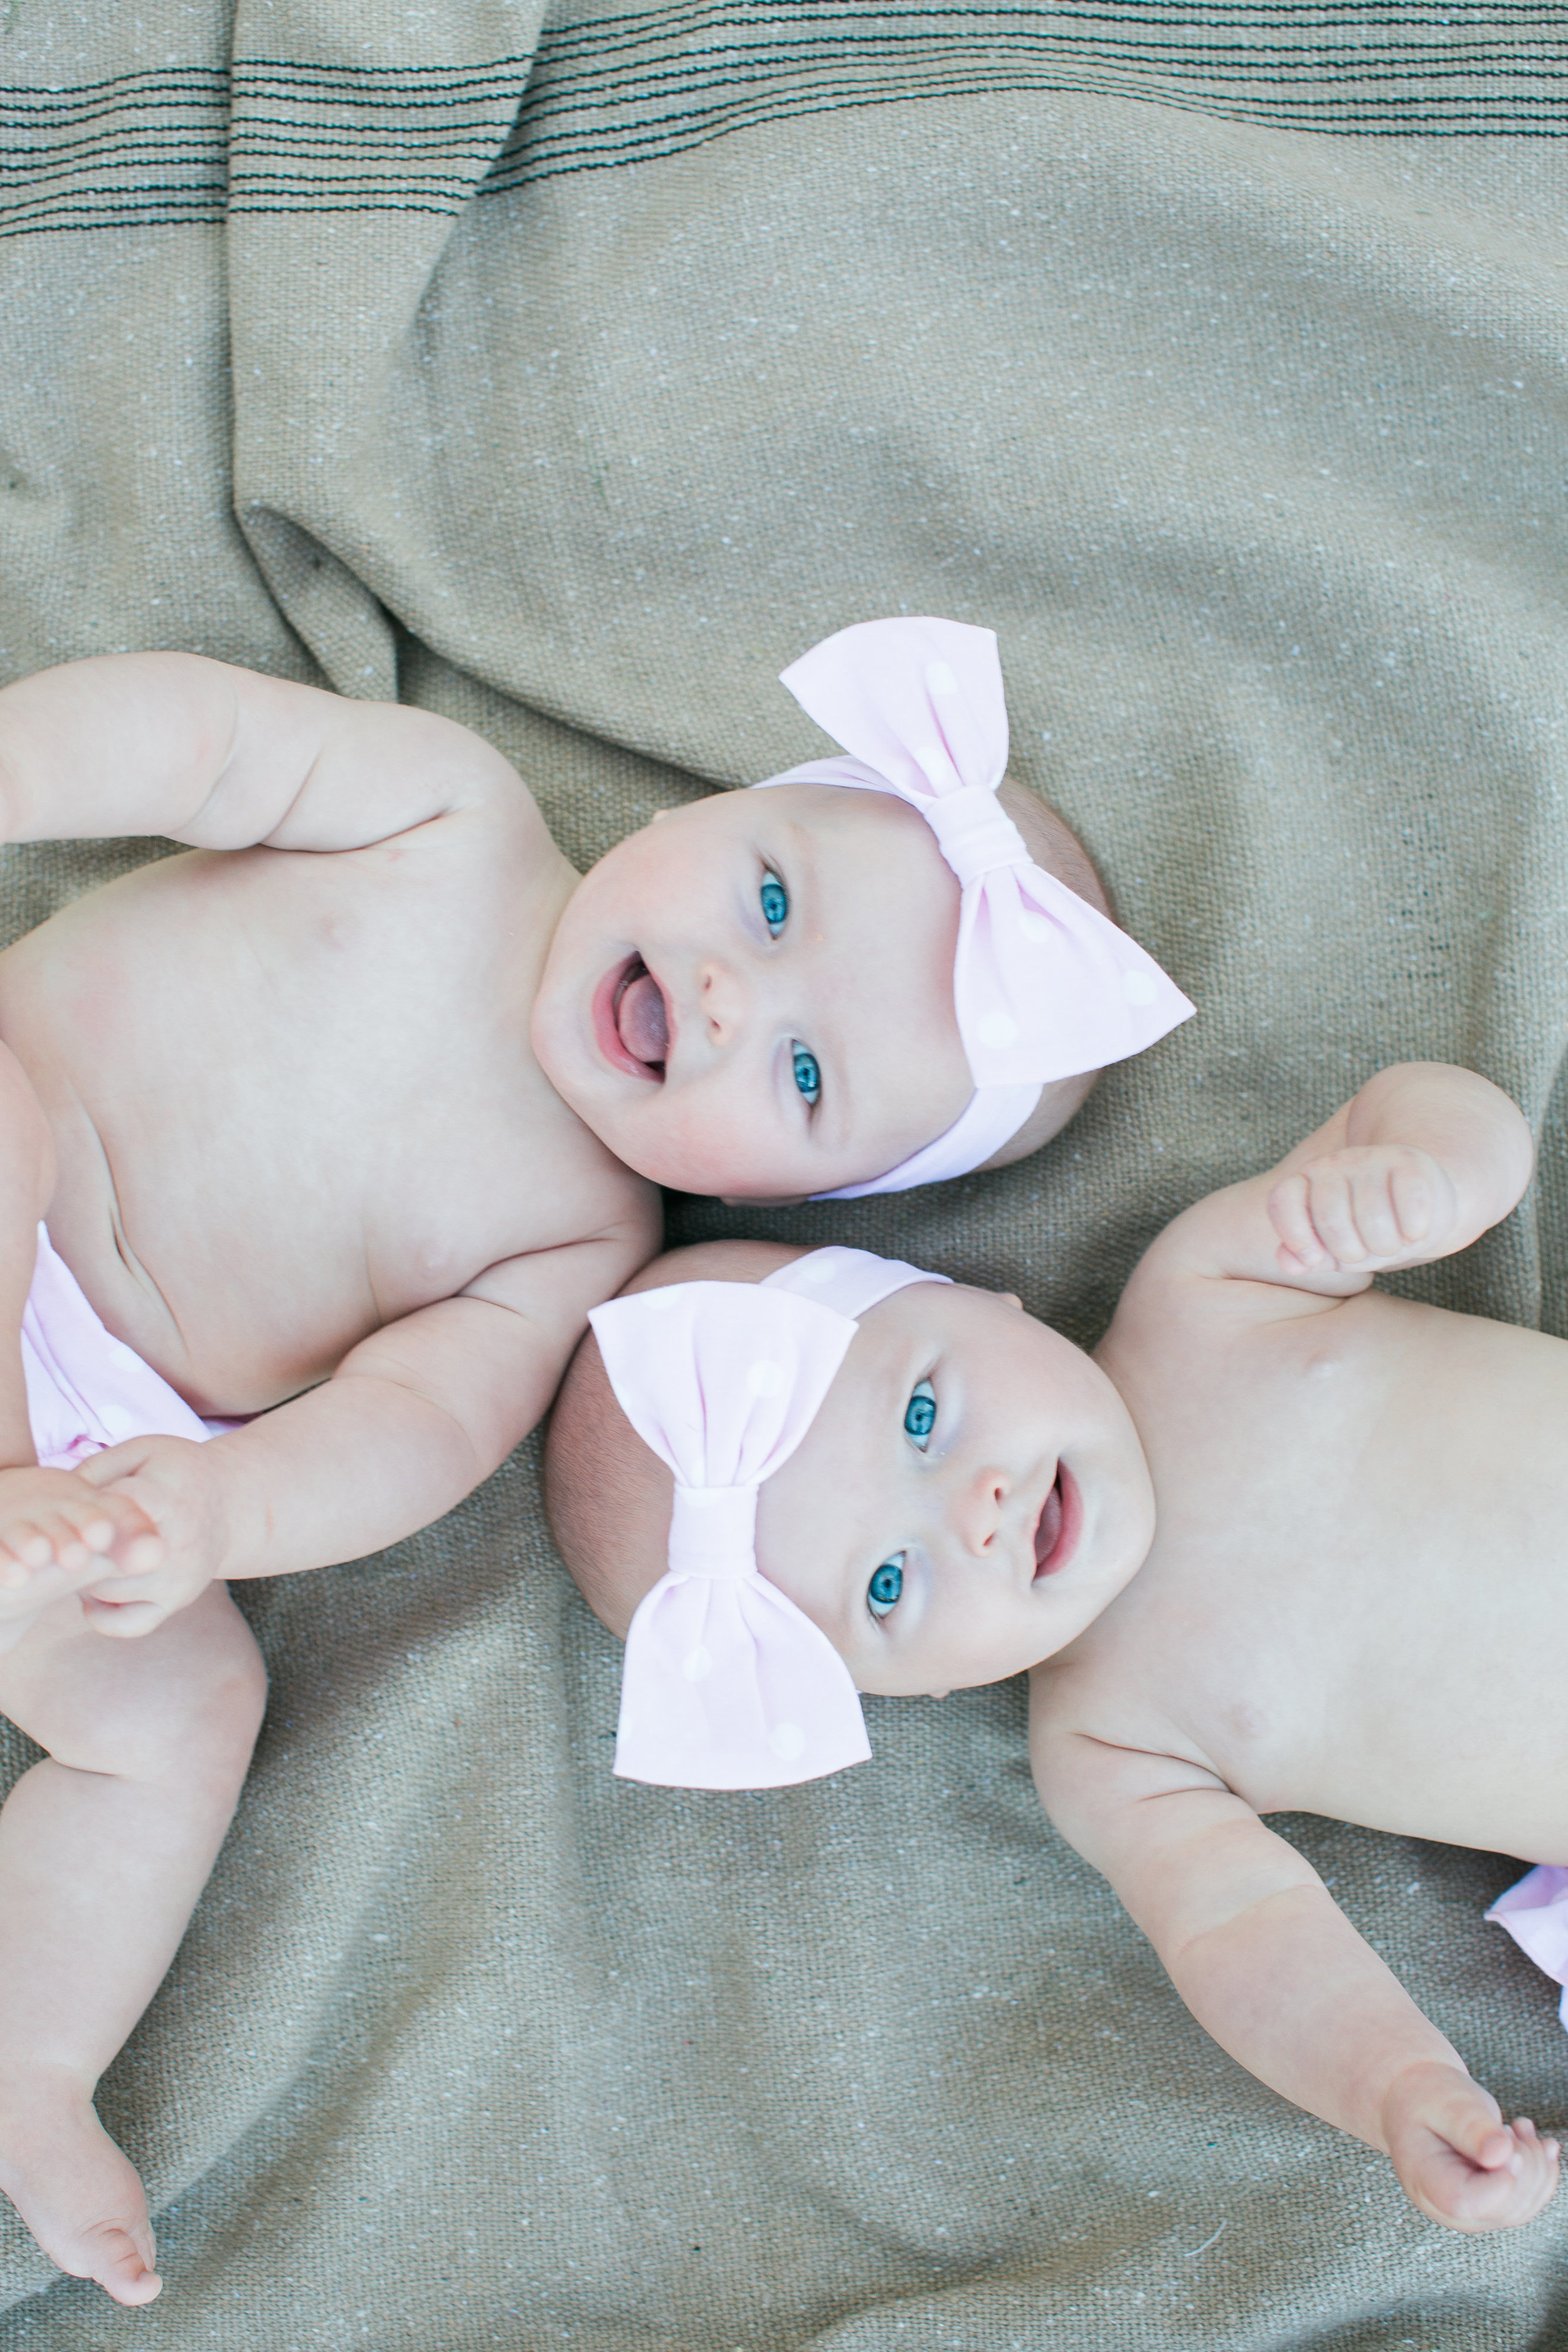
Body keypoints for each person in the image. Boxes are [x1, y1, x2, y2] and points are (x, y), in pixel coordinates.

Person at [0, 617, 1185, 2304]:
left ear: (796, 1205)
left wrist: (207, 1512)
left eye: (797, 1073)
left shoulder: (573, 1251)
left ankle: (34, 2060)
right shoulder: (445, 813)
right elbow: (202, 745)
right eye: (769, 902)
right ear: (701, 812)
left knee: (189, 1711)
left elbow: (406, 1426)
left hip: (91, 1460)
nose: (725, 991)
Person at [545, 1061, 1562, 2235]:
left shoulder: (1206, 1292)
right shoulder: (1107, 1743)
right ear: (912, 1691)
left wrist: (1430, 1178)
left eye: (923, 1414)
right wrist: (1394, 2084)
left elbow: (1423, 1102)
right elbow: (1245, 1934)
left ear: (975, 1296)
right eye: (891, 1582)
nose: (973, 1513)